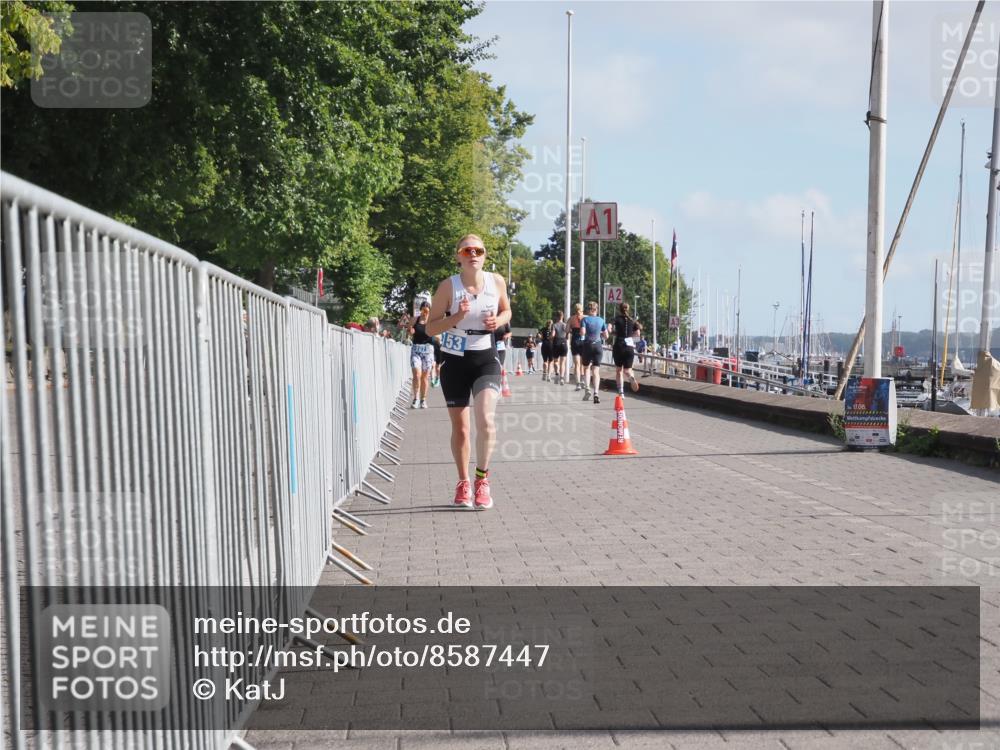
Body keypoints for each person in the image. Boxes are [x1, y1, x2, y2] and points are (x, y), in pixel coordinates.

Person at [425, 234, 511, 511]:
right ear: (459, 256)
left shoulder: (496, 282)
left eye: (479, 250)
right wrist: (455, 318)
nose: (473, 254)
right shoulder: (448, 287)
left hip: (485, 358)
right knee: (461, 429)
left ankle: (482, 480)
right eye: (467, 250)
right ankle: (463, 482)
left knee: (486, 420)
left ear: (485, 255)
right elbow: (430, 328)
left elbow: (507, 310)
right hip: (455, 361)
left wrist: (498, 320)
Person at [579, 301, 607, 404]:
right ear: (596, 310)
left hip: (588, 345)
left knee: (586, 368)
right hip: (598, 346)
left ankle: (587, 389)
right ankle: (596, 393)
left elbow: (582, 332)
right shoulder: (601, 320)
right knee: (596, 371)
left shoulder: (584, 320)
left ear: (588, 310)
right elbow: (606, 336)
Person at [611, 302, 641, 395]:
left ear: (619, 309)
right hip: (629, 346)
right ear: (628, 309)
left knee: (619, 370)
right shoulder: (633, 321)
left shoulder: (616, 319)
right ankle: (630, 376)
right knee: (627, 370)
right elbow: (638, 335)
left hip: (619, 345)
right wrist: (631, 338)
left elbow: (609, 328)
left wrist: (614, 333)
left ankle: (621, 392)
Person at [409, 301, 434, 408]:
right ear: (420, 310)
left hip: (428, 351)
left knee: (424, 377)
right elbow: (410, 331)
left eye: (427, 311)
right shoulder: (415, 319)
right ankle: (416, 398)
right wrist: (410, 331)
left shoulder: (432, 321)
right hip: (416, 349)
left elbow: (436, 333)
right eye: (423, 310)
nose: (424, 313)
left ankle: (423, 400)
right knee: (416, 374)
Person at [568, 303, 585, 390]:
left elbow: (567, 330)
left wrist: (572, 329)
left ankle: (578, 383)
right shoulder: (586, 318)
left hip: (575, 341)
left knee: (577, 364)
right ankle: (583, 380)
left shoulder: (571, 319)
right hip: (584, 342)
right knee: (583, 363)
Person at [550, 310, 568, 385]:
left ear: (556, 317)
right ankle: (562, 378)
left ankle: (557, 373)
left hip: (556, 343)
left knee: (556, 361)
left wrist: (550, 338)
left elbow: (553, 335)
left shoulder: (554, 325)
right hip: (563, 342)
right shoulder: (565, 325)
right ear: (562, 316)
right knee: (563, 362)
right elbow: (568, 335)